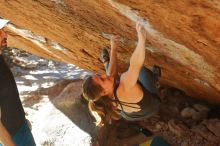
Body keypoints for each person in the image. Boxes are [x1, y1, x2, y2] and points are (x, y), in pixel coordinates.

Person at [82, 22, 161, 126]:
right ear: (104, 92)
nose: (104, 76)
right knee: (142, 71)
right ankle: (155, 79)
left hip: (130, 115)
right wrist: (141, 40)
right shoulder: (125, 86)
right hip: (152, 107)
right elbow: (135, 64)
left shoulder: (104, 99)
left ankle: (106, 62)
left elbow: (111, 74)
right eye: (102, 79)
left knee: (112, 78)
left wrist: (113, 47)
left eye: (100, 75)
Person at [0, 18, 36, 146]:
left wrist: (22, 120)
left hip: (20, 129)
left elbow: (8, 95)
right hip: (12, 137)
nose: (5, 35)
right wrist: (10, 143)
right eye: (0, 32)